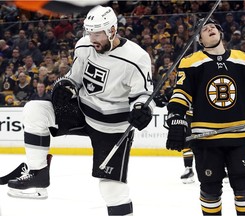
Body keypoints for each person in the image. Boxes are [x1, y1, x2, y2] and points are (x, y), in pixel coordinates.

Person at [7, 5, 155, 216]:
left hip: (112, 126)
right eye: (89, 32)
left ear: (112, 30)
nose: (92, 38)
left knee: (111, 188)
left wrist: (142, 108)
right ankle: (38, 175)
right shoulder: (84, 46)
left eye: (97, 33)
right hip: (82, 111)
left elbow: (143, 95)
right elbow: (74, 78)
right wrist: (66, 86)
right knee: (35, 110)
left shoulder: (136, 57)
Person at [165, 18, 245, 216]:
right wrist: (177, 120)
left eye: (214, 26)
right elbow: (181, 96)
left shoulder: (244, 59)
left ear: (221, 33)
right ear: (200, 40)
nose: (210, 28)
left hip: (239, 138)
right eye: (205, 29)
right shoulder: (191, 62)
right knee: (210, 192)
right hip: (205, 139)